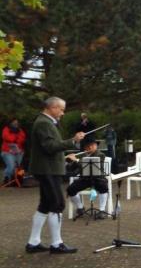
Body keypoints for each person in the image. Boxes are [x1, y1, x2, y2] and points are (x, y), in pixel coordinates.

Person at [25, 97, 85, 254]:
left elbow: (51, 146)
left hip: (47, 169)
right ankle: (56, 244)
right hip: (48, 170)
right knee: (57, 204)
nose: (63, 113)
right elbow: (50, 147)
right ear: (52, 107)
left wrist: (69, 147)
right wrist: (73, 141)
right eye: (61, 109)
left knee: (45, 205)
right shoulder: (44, 123)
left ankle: (33, 242)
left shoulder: (46, 122)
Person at [66, 138, 109, 220]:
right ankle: (80, 207)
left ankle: (102, 211)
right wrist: (70, 161)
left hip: (98, 178)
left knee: (103, 187)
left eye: (93, 145)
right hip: (85, 179)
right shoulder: (82, 155)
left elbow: (94, 163)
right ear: (85, 147)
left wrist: (77, 160)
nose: (90, 147)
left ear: (96, 146)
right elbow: (72, 169)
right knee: (70, 189)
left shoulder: (100, 154)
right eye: (88, 146)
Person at [2, 118, 26, 185]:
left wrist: (15, 139)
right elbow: (7, 138)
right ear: (10, 122)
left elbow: (22, 138)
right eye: (14, 122)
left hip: (19, 151)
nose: (16, 123)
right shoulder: (6, 129)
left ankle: (17, 180)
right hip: (7, 151)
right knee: (11, 166)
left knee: (19, 167)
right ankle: (6, 179)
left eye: (16, 122)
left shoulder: (20, 130)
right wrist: (16, 138)